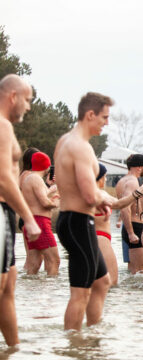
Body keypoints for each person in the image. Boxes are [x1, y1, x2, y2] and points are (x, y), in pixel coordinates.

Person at [53, 92, 116, 331]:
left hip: (74, 219)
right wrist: (104, 199)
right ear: (90, 114)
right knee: (81, 292)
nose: (106, 123)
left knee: (102, 282)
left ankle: (92, 335)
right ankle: (75, 346)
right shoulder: (80, 147)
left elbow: (73, 184)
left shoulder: (65, 140)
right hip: (77, 221)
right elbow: (90, 194)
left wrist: (97, 201)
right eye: (104, 117)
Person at [0, 74, 41, 346]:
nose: (28, 107)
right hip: (2, 211)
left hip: (6, 215)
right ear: (12, 96)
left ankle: (12, 354)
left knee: (8, 287)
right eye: (26, 100)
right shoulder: (2, 126)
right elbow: (3, 178)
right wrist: (29, 218)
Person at [95, 163, 143, 286]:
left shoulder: (93, 193)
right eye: (105, 176)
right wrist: (136, 194)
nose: (106, 179)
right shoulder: (98, 194)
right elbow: (118, 205)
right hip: (100, 238)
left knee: (99, 279)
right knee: (112, 281)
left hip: (96, 237)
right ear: (100, 177)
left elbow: (120, 204)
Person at [20, 151, 60, 275]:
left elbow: (38, 198)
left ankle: (31, 292)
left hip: (32, 221)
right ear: (46, 166)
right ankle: (49, 291)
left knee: (34, 262)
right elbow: (44, 203)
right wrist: (56, 203)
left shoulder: (30, 178)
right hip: (40, 223)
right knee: (54, 260)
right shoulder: (36, 178)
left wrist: (51, 191)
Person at [115, 153, 143, 274]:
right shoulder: (132, 182)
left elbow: (122, 204)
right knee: (140, 272)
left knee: (133, 272)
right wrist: (131, 233)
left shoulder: (122, 180)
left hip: (130, 226)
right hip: (135, 227)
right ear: (139, 168)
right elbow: (125, 207)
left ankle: (128, 293)